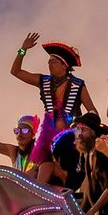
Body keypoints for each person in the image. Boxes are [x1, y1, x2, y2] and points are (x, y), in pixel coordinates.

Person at [9, 32, 98, 165]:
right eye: (48, 62)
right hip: (48, 133)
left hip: (71, 132)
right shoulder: (43, 81)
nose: (49, 64)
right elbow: (15, 71)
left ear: (64, 65)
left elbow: (92, 111)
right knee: (45, 165)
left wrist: (79, 124)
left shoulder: (78, 85)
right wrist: (23, 50)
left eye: (53, 62)